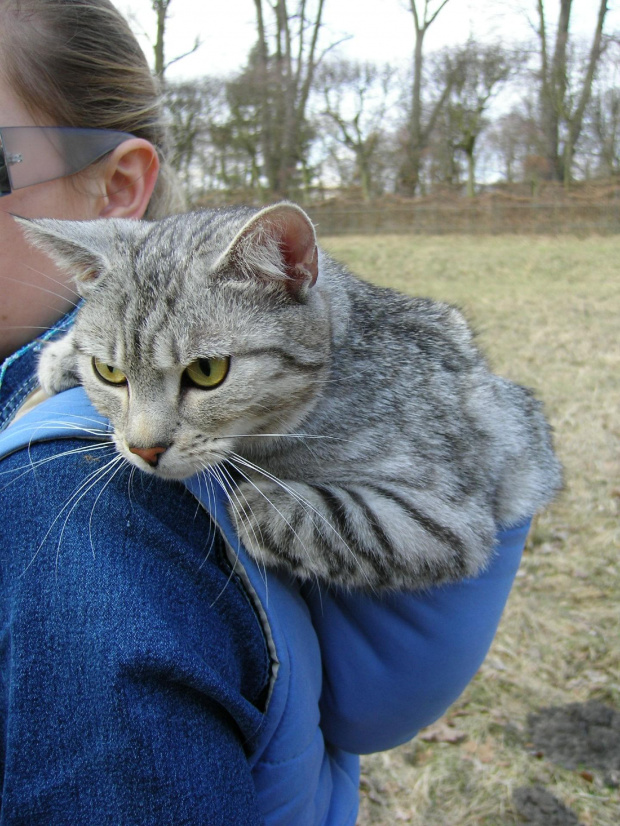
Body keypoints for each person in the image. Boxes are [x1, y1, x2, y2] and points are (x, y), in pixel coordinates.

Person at [0, 2, 530, 824]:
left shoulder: (67, 508)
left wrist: (261, 509)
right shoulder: (134, 327)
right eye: (111, 371)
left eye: (203, 371)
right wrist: (87, 361)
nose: (141, 442)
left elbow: (452, 534)